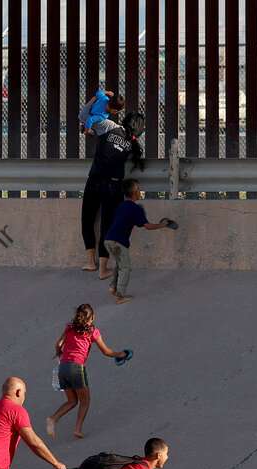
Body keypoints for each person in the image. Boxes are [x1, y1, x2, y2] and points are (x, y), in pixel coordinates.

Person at [78, 111, 147, 280]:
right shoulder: (132, 144)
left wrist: (88, 126)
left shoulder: (110, 126)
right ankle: (103, 269)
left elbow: (84, 116)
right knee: (107, 226)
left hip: (95, 180)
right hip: (114, 185)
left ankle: (90, 262)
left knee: (88, 219)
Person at [46, 304, 129, 439]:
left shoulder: (69, 328)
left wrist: (59, 353)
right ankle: (77, 429)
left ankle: (53, 418)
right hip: (77, 368)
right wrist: (120, 354)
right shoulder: (93, 332)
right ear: (93, 317)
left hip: (63, 367)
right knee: (85, 401)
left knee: (72, 401)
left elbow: (59, 344)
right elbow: (106, 351)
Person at [104, 179, 171, 305]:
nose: (140, 191)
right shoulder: (136, 208)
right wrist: (162, 225)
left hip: (108, 240)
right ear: (134, 193)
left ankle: (113, 287)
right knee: (126, 267)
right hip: (119, 242)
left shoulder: (121, 205)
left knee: (120, 264)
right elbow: (147, 226)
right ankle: (120, 295)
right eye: (138, 189)